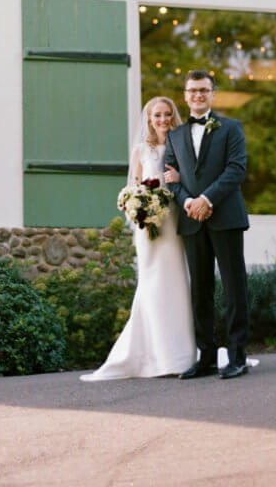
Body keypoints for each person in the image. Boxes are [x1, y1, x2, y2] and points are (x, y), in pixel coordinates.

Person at [80, 97, 196, 380]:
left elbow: (191, 180)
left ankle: (181, 355)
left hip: (174, 224)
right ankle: (152, 354)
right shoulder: (141, 150)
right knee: (152, 283)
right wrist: (140, 209)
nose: (163, 119)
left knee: (177, 283)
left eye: (168, 114)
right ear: (149, 118)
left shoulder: (182, 146)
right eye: (157, 115)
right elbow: (133, 187)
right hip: (149, 227)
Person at [164, 70, 250, 380]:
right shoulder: (173, 136)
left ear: (212, 95)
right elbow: (169, 178)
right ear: (185, 96)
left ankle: (238, 355)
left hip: (225, 218)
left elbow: (236, 169)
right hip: (191, 222)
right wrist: (188, 202)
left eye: (204, 90)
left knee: (233, 288)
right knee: (200, 291)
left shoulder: (231, 128)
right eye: (192, 91)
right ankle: (207, 356)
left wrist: (207, 200)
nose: (198, 95)